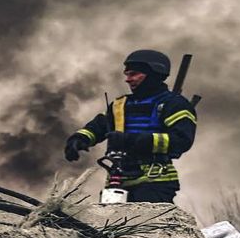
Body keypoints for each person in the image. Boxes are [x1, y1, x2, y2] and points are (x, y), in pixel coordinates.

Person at [63, 49, 197, 203]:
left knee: (147, 220)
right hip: (117, 182)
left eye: (133, 74)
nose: (128, 79)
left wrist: (133, 140)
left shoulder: (174, 104)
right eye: (127, 75)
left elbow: (181, 140)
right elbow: (98, 127)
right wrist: (80, 138)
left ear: (153, 74)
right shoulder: (119, 105)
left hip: (155, 183)